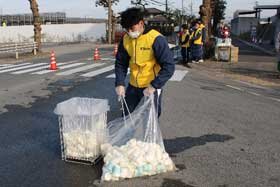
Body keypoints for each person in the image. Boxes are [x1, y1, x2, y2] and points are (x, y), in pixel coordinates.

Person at [115, 7, 175, 117]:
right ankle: (128, 135)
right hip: (133, 86)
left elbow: (169, 66)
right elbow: (120, 63)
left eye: (131, 28)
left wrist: (154, 85)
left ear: (141, 23)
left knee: (150, 120)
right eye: (126, 29)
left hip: (151, 87)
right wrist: (119, 83)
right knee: (126, 116)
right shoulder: (126, 39)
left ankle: (149, 135)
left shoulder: (155, 39)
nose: (129, 32)